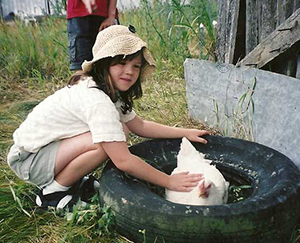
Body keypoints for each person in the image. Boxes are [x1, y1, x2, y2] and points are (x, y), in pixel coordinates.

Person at [7, 25, 209, 210]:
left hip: (46, 151)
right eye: (121, 63)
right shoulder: (97, 99)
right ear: (105, 64)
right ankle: (53, 193)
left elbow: (140, 125)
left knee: (120, 131)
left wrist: (185, 132)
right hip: (29, 160)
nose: (129, 71)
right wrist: (169, 181)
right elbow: (123, 160)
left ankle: (72, 179)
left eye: (136, 66)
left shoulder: (108, 90)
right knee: (109, 140)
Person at [67, 0, 118, 71]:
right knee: (82, 69)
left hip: (106, 15)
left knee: (111, 66)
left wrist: (111, 15)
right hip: (80, 15)